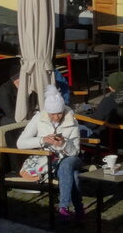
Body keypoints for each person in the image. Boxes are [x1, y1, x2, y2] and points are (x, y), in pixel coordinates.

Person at [16, 84, 84, 222]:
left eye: (59, 113)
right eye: (52, 114)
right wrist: (43, 140)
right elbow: (20, 143)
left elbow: (75, 152)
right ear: (46, 112)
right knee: (73, 175)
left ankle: (63, 207)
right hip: (50, 159)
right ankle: (79, 211)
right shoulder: (39, 118)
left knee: (67, 164)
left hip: (71, 157)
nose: (56, 117)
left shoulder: (71, 120)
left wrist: (63, 144)